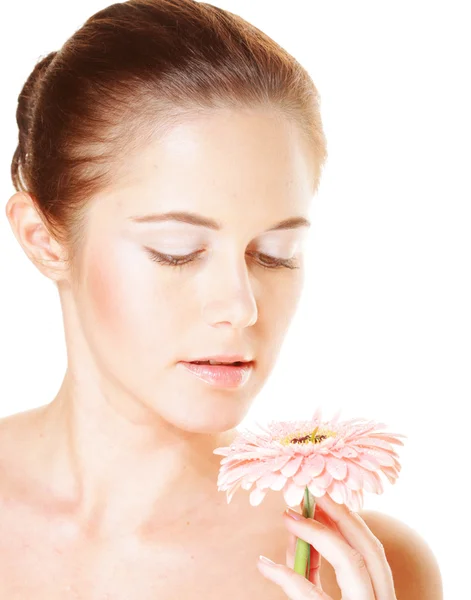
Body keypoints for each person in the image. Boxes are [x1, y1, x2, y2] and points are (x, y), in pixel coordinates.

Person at [2, 0, 443, 598]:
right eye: (177, 250)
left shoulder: (346, 567)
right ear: (45, 240)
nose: (241, 307)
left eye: (276, 253)